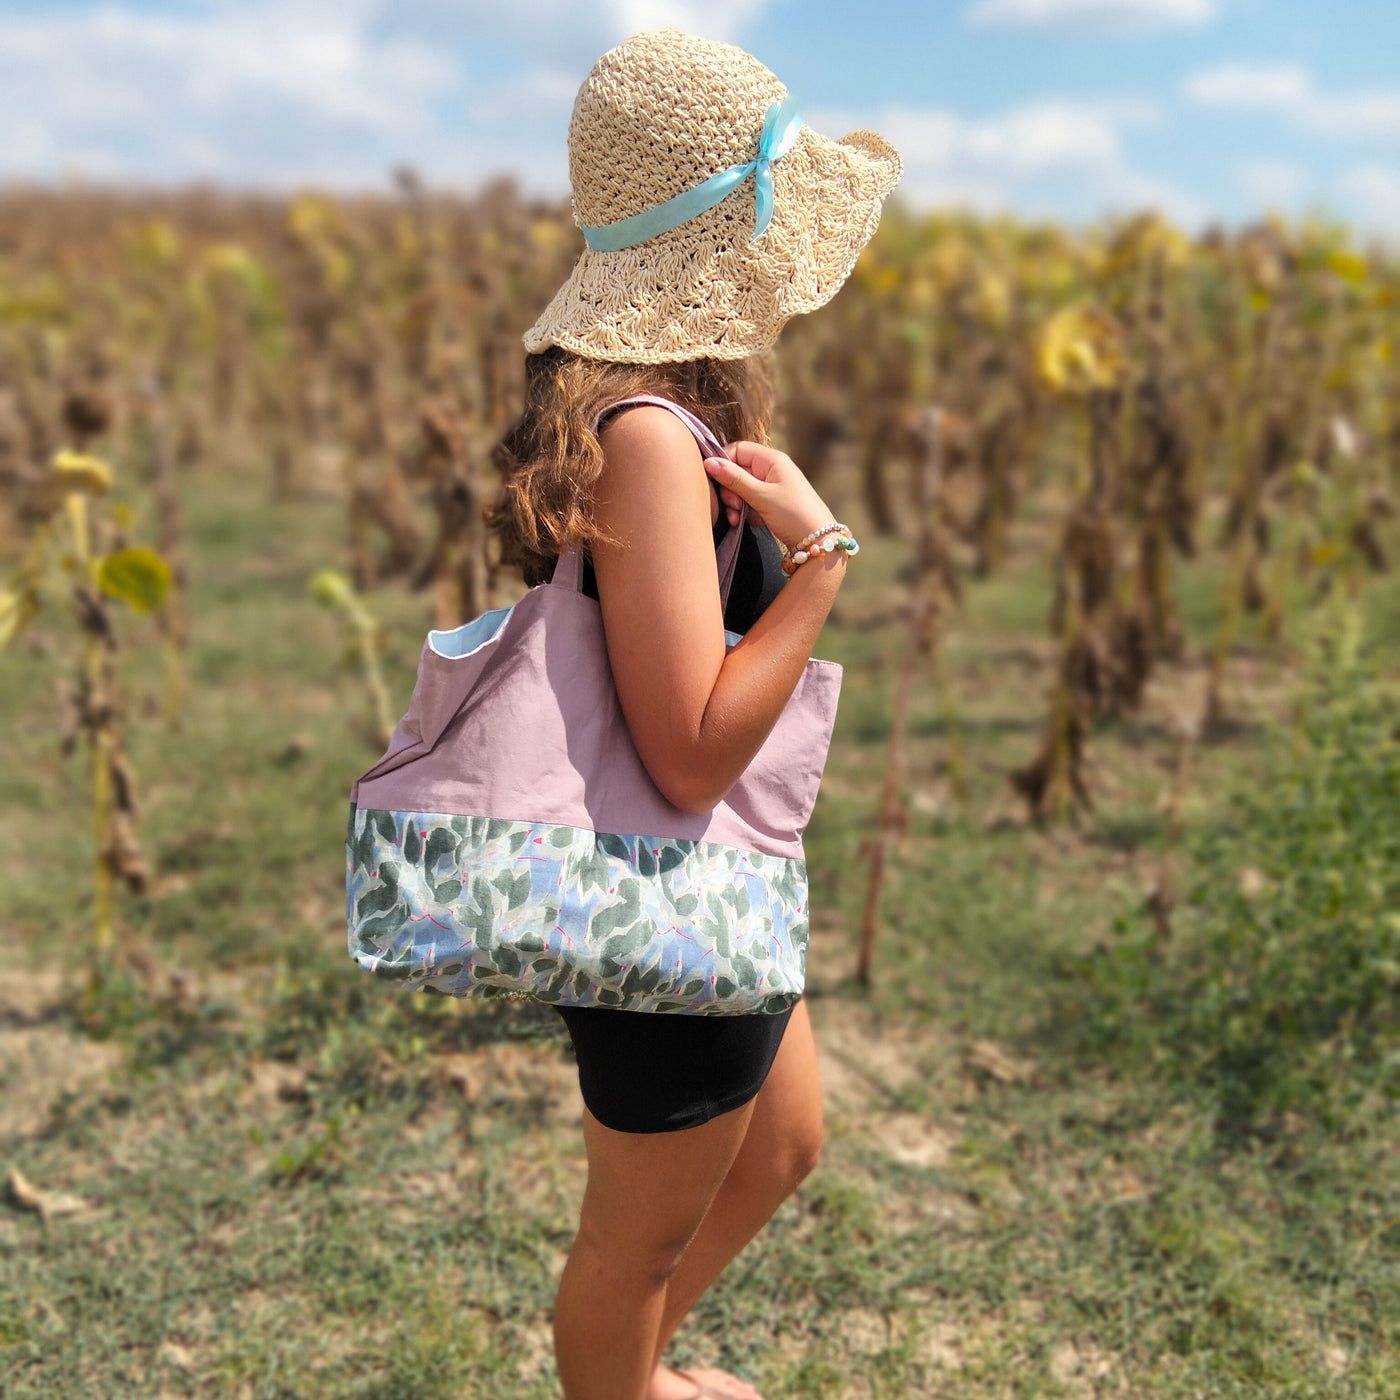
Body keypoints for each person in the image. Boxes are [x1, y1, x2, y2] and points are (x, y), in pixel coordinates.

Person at [488, 29, 901, 1400]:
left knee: (782, 1145)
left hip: (715, 881)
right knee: (633, 1247)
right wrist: (821, 560)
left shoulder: (666, 423)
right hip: (659, 896)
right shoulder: (650, 441)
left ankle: (637, 1375)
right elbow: (687, 753)